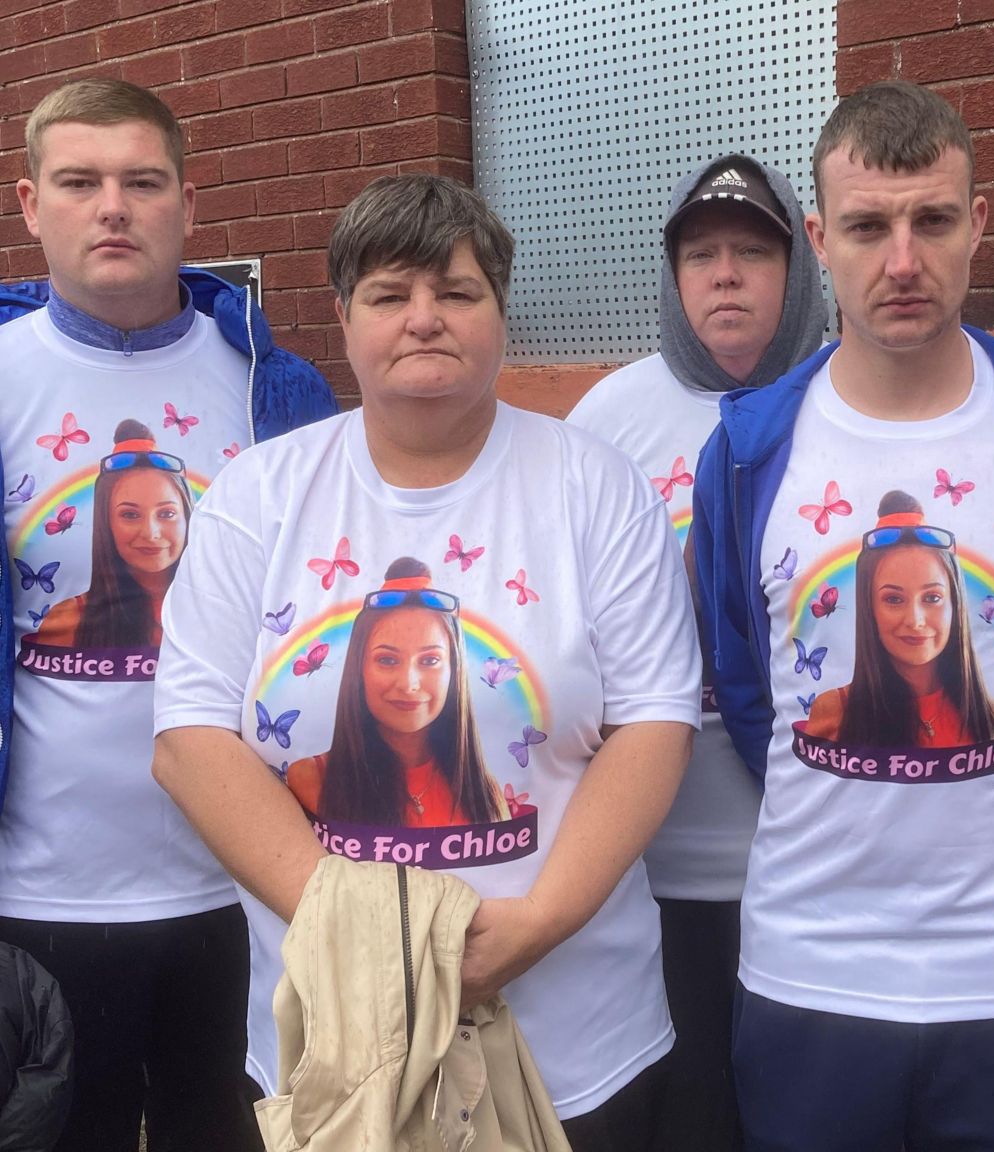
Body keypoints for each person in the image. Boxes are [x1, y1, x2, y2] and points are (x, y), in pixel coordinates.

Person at [152, 173, 700, 1152]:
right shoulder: (258, 495)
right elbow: (189, 739)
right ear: (341, 315)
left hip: (577, 1040)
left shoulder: (593, 487)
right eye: (388, 294)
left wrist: (536, 922)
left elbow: (656, 721)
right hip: (337, 1052)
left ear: (497, 309)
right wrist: (371, 943)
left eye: (455, 292)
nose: (423, 320)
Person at [0, 78, 336, 1152]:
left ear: (188, 201)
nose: (113, 207)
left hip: (247, 886)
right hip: (39, 891)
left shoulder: (278, 390)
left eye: (142, 181)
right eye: (80, 183)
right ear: (31, 205)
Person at [691, 80, 994, 1151]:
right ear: (817, 239)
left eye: (931, 220)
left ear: (977, 225)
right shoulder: (750, 448)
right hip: (809, 970)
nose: (901, 261)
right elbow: (747, 690)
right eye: (867, 227)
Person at [562, 150, 825, 1151]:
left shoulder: (848, 403)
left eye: (751, 253)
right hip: (648, 872)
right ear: (672, 277)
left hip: (805, 870)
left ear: (797, 265)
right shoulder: (605, 423)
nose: (725, 275)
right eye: (702, 255)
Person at [284, 557, 511, 828]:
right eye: (388, 660)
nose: (408, 684)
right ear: (359, 670)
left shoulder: (488, 794)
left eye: (429, 661)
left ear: (455, 672)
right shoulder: (311, 779)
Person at [799, 491, 994, 748]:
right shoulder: (834, 711)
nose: (915, 621)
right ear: (868, 608)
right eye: (894, 599)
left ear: (956, 605)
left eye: (932, 598)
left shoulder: (985, 713)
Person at [30, 419, 193, 648]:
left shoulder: (220, 612)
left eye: (166, 514)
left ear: (188, 516)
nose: (151, 533)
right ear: (105, 523)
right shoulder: (69, 620)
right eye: (130, 515)